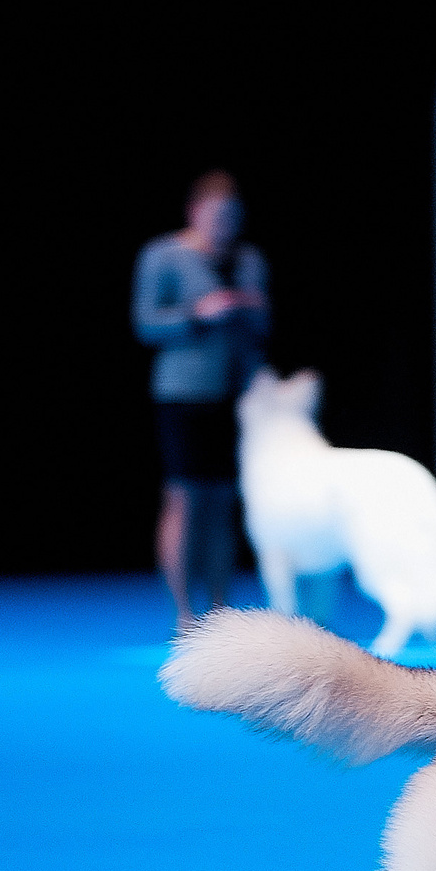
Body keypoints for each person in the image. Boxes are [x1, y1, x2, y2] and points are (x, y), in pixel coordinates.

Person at [133, 170, 270, 630]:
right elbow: (146, 323)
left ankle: (219, 607)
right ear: (195, 213)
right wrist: (198, 313)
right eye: (215, 216)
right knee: (184, 499)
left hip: (236, 394)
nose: (223, 225)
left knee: (223, 501)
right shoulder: (164, 255)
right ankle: (183, 611)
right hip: (183, 392)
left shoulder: (249, 260)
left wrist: (250, 310)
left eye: (231, 217)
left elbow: (264, 326)